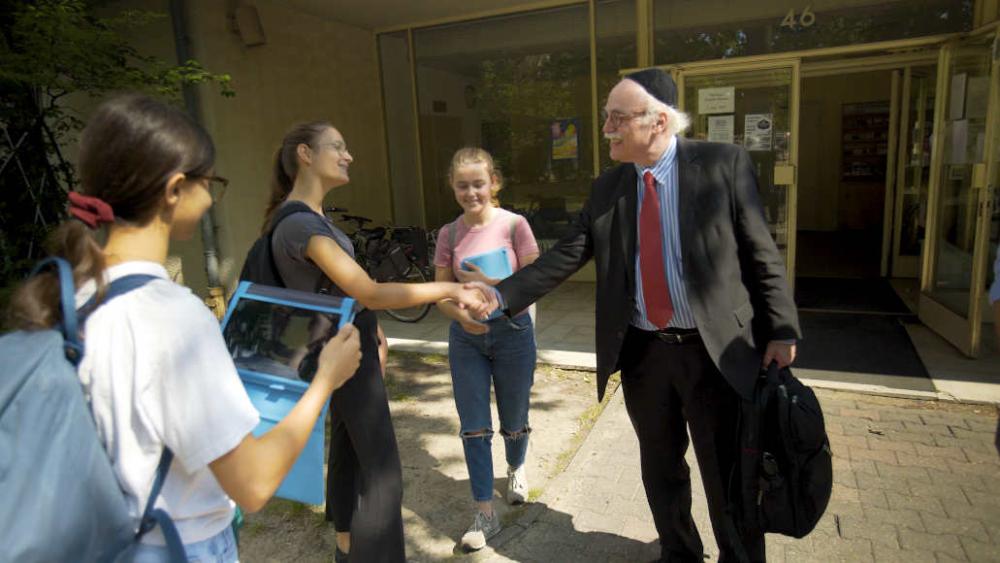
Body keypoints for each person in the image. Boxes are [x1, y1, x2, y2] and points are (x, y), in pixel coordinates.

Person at [4, 94, 362, 561]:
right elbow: (253, 482)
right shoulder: (171, 316)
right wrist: (325, 379)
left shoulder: (68, 296)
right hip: (176, 545)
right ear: (174, 190)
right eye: (208, 182)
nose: (211, 196)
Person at [472, 69, 800, 562]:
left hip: (715, 352)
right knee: (660, 468)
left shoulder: (721, 165)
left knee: (726, 472)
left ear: (658, 121)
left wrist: (781, 327)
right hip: (645, 354)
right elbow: (568, 253)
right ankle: (679, 553)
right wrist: (500, 297)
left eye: (617, 118)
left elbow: (760, 250)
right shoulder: (608, 188)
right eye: (607, 117)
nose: (607, 128)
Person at [264, 121, 487, 562]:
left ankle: (345, 544)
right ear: (306, 154)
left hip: (350, 343)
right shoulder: (299, 225)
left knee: (350, 449)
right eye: (339, 147)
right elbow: (368, 290)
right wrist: (449, 289)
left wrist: (374, 329)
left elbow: (341, 292)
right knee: (384, 473)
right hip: (339, 353)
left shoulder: (312, 218)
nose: (348, 156)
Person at [433, 148, 540, 551]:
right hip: (467, 339)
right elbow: (441, 293)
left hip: (513, 333)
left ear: (493, 183)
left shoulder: (515, 225)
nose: (471, 192)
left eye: (478, 183)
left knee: (514, 415)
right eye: (462, 185)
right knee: (473, 425)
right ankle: (484, 512)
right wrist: (458, 316)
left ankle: (515, 466)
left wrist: (494, 281)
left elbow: (535, 280)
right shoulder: (450, 234)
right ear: (453, 187)